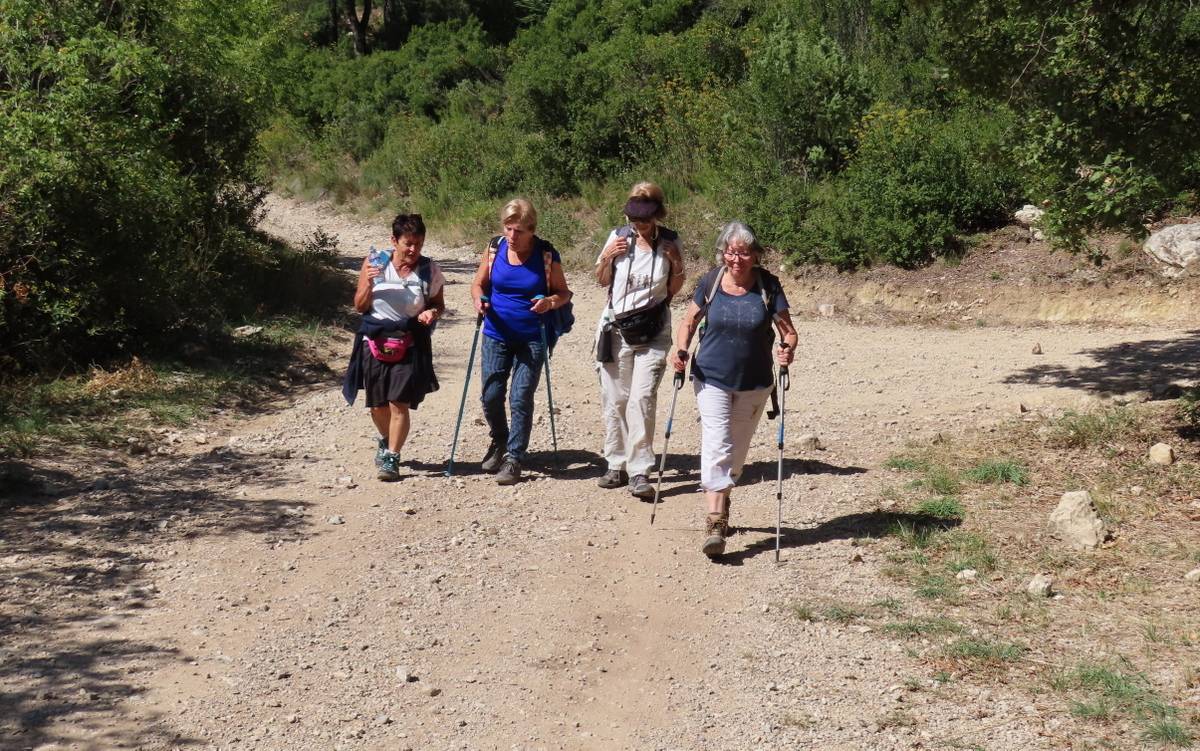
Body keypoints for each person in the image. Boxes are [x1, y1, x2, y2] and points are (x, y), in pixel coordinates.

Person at [669, 221, 797, 557]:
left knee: (736, 455)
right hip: (710, 376)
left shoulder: (768, 286)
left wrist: (787, 348)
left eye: (743, 252)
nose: (736, 258)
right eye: (730, 251)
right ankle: (715, 520)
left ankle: (723, 495)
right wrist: (680, 350)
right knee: (717, 441)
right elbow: (688, 322)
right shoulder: (711, 282)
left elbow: (788, 331)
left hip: (754, 382)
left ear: (755, 255)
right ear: (722, 252)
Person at [470, 198, 573, 485]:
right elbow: (478, 283)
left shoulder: (546, 254)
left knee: (520, 397)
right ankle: (500, 440)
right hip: (496, 332)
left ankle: (514, 458)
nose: (512, 236)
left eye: (519, 231)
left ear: (532, 230)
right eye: (508, 229)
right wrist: (479, 300)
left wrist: (550, 302)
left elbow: (564, 293)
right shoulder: (495, 248)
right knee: (491, 396)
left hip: (532, 336)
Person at [594, 182, 686, 498]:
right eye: (635, 219)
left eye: (645, 220)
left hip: (654, 331)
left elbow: (674, 290)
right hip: (615, 329)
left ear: (657, 215)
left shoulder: (671, 241)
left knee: (641, 398)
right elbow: (601, 280)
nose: (639, 226)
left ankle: (640, 471)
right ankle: (615, 463)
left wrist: (676, 264)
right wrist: (607, 258)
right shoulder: (618, 237)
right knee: (616, 399)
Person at [343, 214, 445, 481]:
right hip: (375, 340)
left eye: (419, 244)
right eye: (408, 243)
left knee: (399, 402)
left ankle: (391, 457)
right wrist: (368, 281)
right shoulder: (375, 263)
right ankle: (387, 439)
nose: (414, 250)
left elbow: (438, 303)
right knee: (378, 405)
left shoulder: (428, 269)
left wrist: (431, 313)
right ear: (394, 240)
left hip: (410, 340)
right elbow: (360, 305)